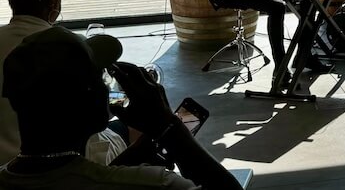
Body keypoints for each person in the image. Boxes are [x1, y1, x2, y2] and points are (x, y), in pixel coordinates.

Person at [0, 26, 242, 189]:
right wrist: (170, 128)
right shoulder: (156, 184)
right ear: (91, 99)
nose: (106, 87)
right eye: (100, 78)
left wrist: (128, 158)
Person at [0, 0, 127, 166]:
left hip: (7, 167)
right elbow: (97, 114)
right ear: (53, 1)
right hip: (64, 161)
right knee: (134, 129)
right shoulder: (72, 49)